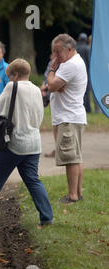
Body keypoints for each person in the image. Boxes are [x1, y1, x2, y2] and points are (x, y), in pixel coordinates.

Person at [0, 58, 54, 228]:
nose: (9, 79)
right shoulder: (36, 90)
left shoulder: (12, 87)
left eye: (10, 76)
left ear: (15, 75)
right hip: (33, 142)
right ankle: (47, 217)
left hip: (14, 142)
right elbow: (39, 115)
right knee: (33, 180)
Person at [47, 34, 87, 203]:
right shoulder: (72, 62)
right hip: (72, 116)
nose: (55, 57)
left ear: (69, 49)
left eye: (57, 52)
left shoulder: (70, 65)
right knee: (76, 157)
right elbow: (58, 87)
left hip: (68, 117)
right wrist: (55, 82)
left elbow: (52, 86)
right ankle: (77, 193)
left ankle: (72, 196)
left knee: (71, 158)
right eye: (53, 52)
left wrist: (51, 70)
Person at [76, 33, 91, 113]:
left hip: (77, 71)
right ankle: (88, 109)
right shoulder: (87, 48)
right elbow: (89, 61)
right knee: (86, 91)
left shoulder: (76, 48)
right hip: (86, 72)